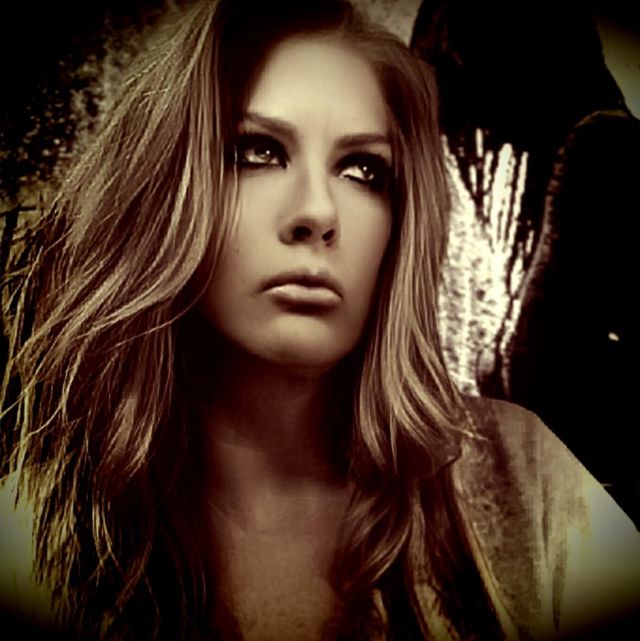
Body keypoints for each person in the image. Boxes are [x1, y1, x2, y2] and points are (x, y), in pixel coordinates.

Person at [0, 1, 638, 640]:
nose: (317, 212)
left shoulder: (522, 476)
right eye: (256, 152)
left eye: (363, 170)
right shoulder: (27, 538)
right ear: (164, 191)